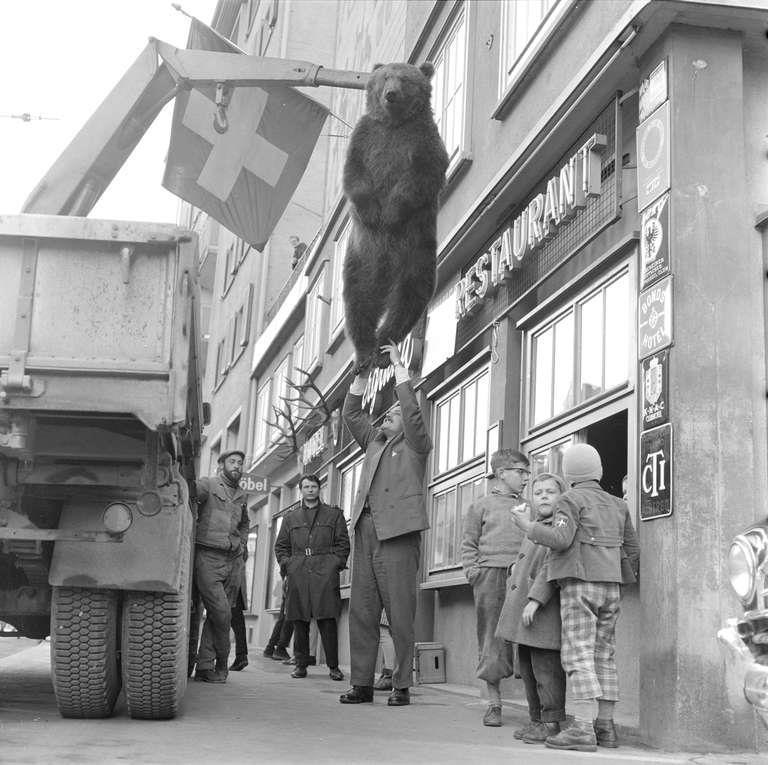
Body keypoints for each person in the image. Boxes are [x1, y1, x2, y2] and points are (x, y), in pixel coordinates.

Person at [510, 444, 640, 751]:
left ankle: (581, 728)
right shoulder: (617, 504)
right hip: (611, 587)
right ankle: (605, 727)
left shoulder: (569, 499)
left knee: (578, 653)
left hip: (579, 584)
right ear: (599, 471)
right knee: (604, 654)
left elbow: (560, 539)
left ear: (569, 475)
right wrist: (616, 576)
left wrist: (528, 527)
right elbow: (632, 550)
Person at [340, 342, 431, 707]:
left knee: (400, 614)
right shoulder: (375, 443)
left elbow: (411, 412)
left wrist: (398, 367)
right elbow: (351, 414)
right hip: (365, 532)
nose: (391, 413)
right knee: (361, 611)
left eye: (396, 410)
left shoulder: (415, 445)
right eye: (388, 410)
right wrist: (361, 376)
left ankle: (401, 685)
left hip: (398, 534)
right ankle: (361, 684)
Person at [460, 448, 531, 727]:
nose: (526, 478)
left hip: (523, 575)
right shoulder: (481, 505)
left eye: (527, 473)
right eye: (520, 472)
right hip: (489, 576)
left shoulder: (530, 506)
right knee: (491, 637)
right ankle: (494, 703)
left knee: (528, 635)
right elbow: (469, 543)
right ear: (501, 473)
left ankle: (537, 709)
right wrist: (473, 572)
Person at [496, 472, 568, 743]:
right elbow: (526, 559)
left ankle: (551, 722)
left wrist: (536, 599)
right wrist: (514, 569)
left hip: (543, 612)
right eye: (538, 493)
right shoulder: (534, 526)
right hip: (524, 611)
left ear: (562, 496)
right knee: (527, 670)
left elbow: (552, 565)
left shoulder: (558, 527)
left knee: (546, 670)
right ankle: (536, 719)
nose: (544, 496)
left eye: (550, 491)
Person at [274, 474, 350, 680]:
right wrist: (287, 564)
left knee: (327, 620)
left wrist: (335, 563)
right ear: (301, 490)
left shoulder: (333, 515)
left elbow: (343, 543)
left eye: (313, 486)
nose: (310, 490)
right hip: (298, 571)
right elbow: (281, 546)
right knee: (299, 621)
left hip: (324, 571)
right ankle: (300, 665)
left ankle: (333, 666)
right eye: (306, 486)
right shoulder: (291, 518)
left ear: (319, 488)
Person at [192, 450, 249, 683]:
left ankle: (205, 668)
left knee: (217, 615)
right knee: (222, 614)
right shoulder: (209, 485)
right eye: (232, 462)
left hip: (232, 561)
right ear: (221, 464)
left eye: (240, 463)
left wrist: (243, 545)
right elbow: (189, 493)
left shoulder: (242, 494)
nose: (236, 466)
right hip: (208, 557)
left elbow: (245, 523)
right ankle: (223, 663)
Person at [229, 555, 250, 671]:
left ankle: (240, 656)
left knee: (219, 619)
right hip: (237, 582)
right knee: (238, 623)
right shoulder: (242, 543)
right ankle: (241, 655)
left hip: (231, 581)